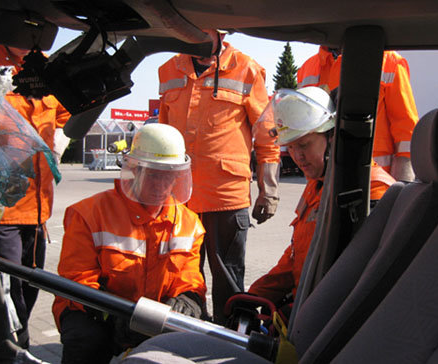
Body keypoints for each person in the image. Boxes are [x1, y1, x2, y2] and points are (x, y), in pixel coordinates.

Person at [52, 123, 207, 364]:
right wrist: (114, 317)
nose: (160, 185)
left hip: (155, 314)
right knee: (85, 339)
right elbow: (78, 281)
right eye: (153, 174)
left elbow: (188, 276)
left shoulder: (190, 223)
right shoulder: (89, 214)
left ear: (178, 176)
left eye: (168, 176)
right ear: (133, 170)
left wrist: (188, 300)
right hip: (97, 312)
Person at [158, 29, 280, 324]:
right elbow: (162, 134)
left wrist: (270, 191)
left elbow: (267, 137)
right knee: (181, 274)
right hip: (179, 199)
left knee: (228, 277)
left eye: (204, 30)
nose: (195, 36)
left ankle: (228, 338)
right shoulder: (168, 70)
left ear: (220, 32)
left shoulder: (246, 68)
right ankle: (189, 332)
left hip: (227, 196)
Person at [247, 86, 395, 317]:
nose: (297, 157)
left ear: (331, 137)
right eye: (291, 147)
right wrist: (255, 295)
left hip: (329, 315)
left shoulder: (371, 191)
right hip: (306, 305)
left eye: (304, 144)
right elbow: (296, 256)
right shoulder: (318, 184)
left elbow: (360, 278)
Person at [0, 43, 71, 350]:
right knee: (7, 290)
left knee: (30, 286)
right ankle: (11, 347)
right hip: (5, 213)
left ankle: (18, 342)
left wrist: (58, 145)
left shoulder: (50, 75)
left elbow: (69, 114)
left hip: (39, 210)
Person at [297, 46, 419, 182]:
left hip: (373, 185)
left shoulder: (388, 61)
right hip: (323, 184)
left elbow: (406, 132)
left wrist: (400, 189)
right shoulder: (307, 69)